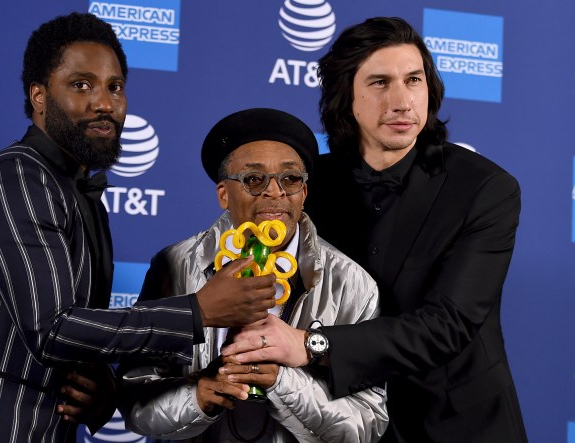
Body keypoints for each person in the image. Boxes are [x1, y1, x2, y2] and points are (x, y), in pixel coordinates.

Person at [0, 13, 275, 443]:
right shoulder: (15, 179)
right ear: (38, 95)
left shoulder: (81, 196)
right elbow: (52, 329)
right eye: (82, 85)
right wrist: (199, 311)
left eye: (114, 87)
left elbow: (73, 333)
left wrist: (103, 388)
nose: (104, 103)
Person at [222, 17, 529, 442]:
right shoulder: (305, 186)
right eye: (381, 83)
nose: (402, 101)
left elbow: (448, 325)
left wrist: (310, 344)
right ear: (346, 95)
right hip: (338, 416)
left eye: (414, 80)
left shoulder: (485, 189)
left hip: (455, 423)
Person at [117, 108, 388, 442]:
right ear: (223, 194)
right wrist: (199, 396)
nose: (274, 192)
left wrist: (281, 382)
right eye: (254, 179)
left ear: (304, 193)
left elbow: (367, 424)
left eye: (290, 179)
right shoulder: (173, 265)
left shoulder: (352, 283)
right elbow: (134, 399)